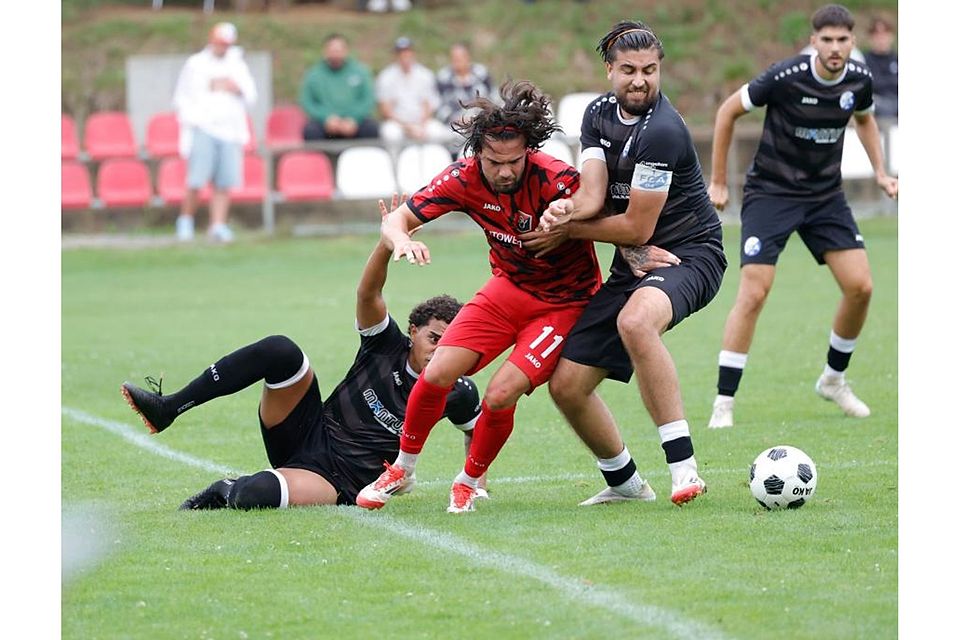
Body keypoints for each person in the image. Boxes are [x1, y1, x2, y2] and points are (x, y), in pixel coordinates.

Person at [119, 195, 483, 510]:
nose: (439, 350)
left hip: (340, 478)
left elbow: (477, 432)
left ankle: (224, 489)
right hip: (307, 430)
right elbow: (367, 294)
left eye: (449, 343)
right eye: (434, 338)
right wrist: (387, 243)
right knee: (280, 350)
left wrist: (474, 482)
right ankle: (169, 407)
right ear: (413, 331)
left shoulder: (457, 390)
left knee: (254, 494)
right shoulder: (385, 344)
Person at [356, 80, 603, 514]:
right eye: (494, 162)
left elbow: (610, 213)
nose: (505, 172)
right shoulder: (462, 178)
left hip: (565, 303)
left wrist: (599, 234)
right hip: (508, 288)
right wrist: (401, 239)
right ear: (477, 154)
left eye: (514, 162)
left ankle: (468, 482)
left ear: (528, 152)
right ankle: (402, 469)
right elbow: (396, 220)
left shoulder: (556, 178)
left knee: (500, 394)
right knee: (437, 370)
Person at [532, 21, 726, 507]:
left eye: (650, 70)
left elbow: (638, 228)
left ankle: (684, 470)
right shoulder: (598, 114)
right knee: (567, 386)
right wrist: (564, 211)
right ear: (609, 70)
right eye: (629, 70)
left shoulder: (662, 131)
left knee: (636, 322)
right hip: (633, 262)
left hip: (690, 253)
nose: (640, 80)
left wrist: (568, 231)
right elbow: (593, 195)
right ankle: (626, 484)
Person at [705, 4, 898, 429]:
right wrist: (718, 181)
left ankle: (833, 379)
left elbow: (865, 119)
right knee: (755, 291)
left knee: (861, 287)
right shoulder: (784, 76)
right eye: (826, 40)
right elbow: (727, 112)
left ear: (852, 42)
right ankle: (724, 402)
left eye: (842, 40)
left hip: (825, 197)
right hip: (771, 193)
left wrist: (881, 171)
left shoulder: (859, 79)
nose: (834, 48)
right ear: (814, 42)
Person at [172, 22, 257, 243]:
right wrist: (195, 120)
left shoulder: (238, 65)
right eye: (220, 42)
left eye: (226, 44)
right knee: (196, 180)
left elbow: (251, 96)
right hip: (203, 128)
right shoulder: (196, 64)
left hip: (230, 131)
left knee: (224, 182)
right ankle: (185, 221)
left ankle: (218, 224)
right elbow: (182, 97)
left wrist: (237, 88)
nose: (223, 47)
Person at [299, 33, 380, 141]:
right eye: (332, 50)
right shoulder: (314, 74)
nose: (336, 54)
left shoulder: (360, 71)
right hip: (326, 124)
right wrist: (326, 118)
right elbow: (307, 102)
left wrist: (353, 118)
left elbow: (368, 99)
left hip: (354, 123)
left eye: (339, 50)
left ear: (346, 51)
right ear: (325, 51)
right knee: (310, 131)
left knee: (371, 128)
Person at [375, 37, 448, 146]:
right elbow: (386, 109)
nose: (404, 56)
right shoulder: (386, 77)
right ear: (395, 55)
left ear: (413, 53)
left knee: (437, 132)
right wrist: (408, 127)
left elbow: (428, 104)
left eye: (407, 52)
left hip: (422, 121)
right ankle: (394, 157)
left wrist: (421, 125)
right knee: (390, 133)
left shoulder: (425, 75)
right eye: (401, 53)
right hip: (398, 122)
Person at [435, 42, 496, 153]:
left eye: (460, 58)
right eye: (454, 59)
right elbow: (438, 105)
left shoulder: (481, 73)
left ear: (468, 58)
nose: (457, 62)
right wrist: (455, 119)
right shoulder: (444, 77)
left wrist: (479, 118)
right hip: (453, 124)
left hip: (480, 121)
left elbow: (493, 98)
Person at [862, 16, 898, 121]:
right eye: (877, 35)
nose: (881, 38)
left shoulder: (897, 59)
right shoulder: (863, 60)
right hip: (876, 105)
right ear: (870, 37)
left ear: (892, 36)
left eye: (885, 34)